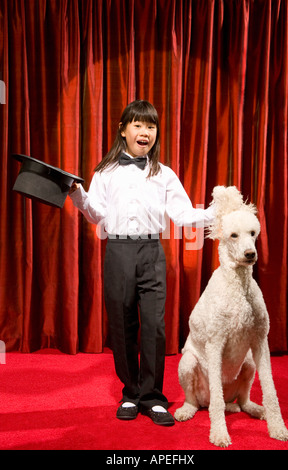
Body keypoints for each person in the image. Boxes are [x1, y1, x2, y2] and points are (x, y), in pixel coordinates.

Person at [69, 100, 214, 426]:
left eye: (150, 126)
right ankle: (131, 393)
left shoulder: (163, 173)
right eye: (137, 124)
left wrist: (216, 211)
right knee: (121, 325)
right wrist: (78, 195)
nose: (144, 131)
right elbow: (96, 214)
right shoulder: (105, 171)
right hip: (118, 252)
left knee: (154, 326)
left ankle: (152, 397)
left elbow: (182, 214)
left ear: (156, 133)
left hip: (151, 251)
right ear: (123, 130)